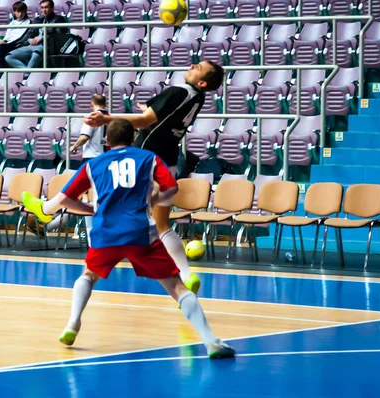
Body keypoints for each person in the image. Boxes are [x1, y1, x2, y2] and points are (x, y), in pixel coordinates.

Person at [21, 120, 235, 359]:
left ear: (107, 141)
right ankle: (210, 341)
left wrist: (89, 209)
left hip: (106, 232)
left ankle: (73, 323)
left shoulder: (94, 164)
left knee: (88, 275)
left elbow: (65, 199)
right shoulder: (148, 158)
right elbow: (172, 188)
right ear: (133, 137)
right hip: (139, 231)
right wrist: (153, 201)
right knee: (177, 288)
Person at [83, 61, 225, 297]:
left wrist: (105, 120)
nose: (191, 65)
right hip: (166, 161)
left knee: (112, 206)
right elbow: (159, 117)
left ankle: (95, 257)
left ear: (201, 82)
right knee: (162, 226)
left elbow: (145, 121)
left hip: (146, 159)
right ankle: (187, 274)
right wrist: (150, 110)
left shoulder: (178, 91)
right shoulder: (197, 98)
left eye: (197, 67)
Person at [68, 94, 108, 238]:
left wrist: (74, 146)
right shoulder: (109, 117)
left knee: (83, 195)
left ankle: (90, 230)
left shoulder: (92, 116)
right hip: (106, 159)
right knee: (99, 195)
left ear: (92, 104)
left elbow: (85, 136)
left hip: (91, 159)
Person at [4, 0, 67, 71]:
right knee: (8, 57)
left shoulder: (59, 19)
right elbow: (30, 33)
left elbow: (59, 36)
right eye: (42, 7)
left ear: (52, 8)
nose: (44, 10)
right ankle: (27, 72)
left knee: (36, 54)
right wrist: (29, 39)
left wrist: (42, 38)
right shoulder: (38, 19)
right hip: (32, 45)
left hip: (47, 45)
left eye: (46, 7)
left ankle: (26, 75)